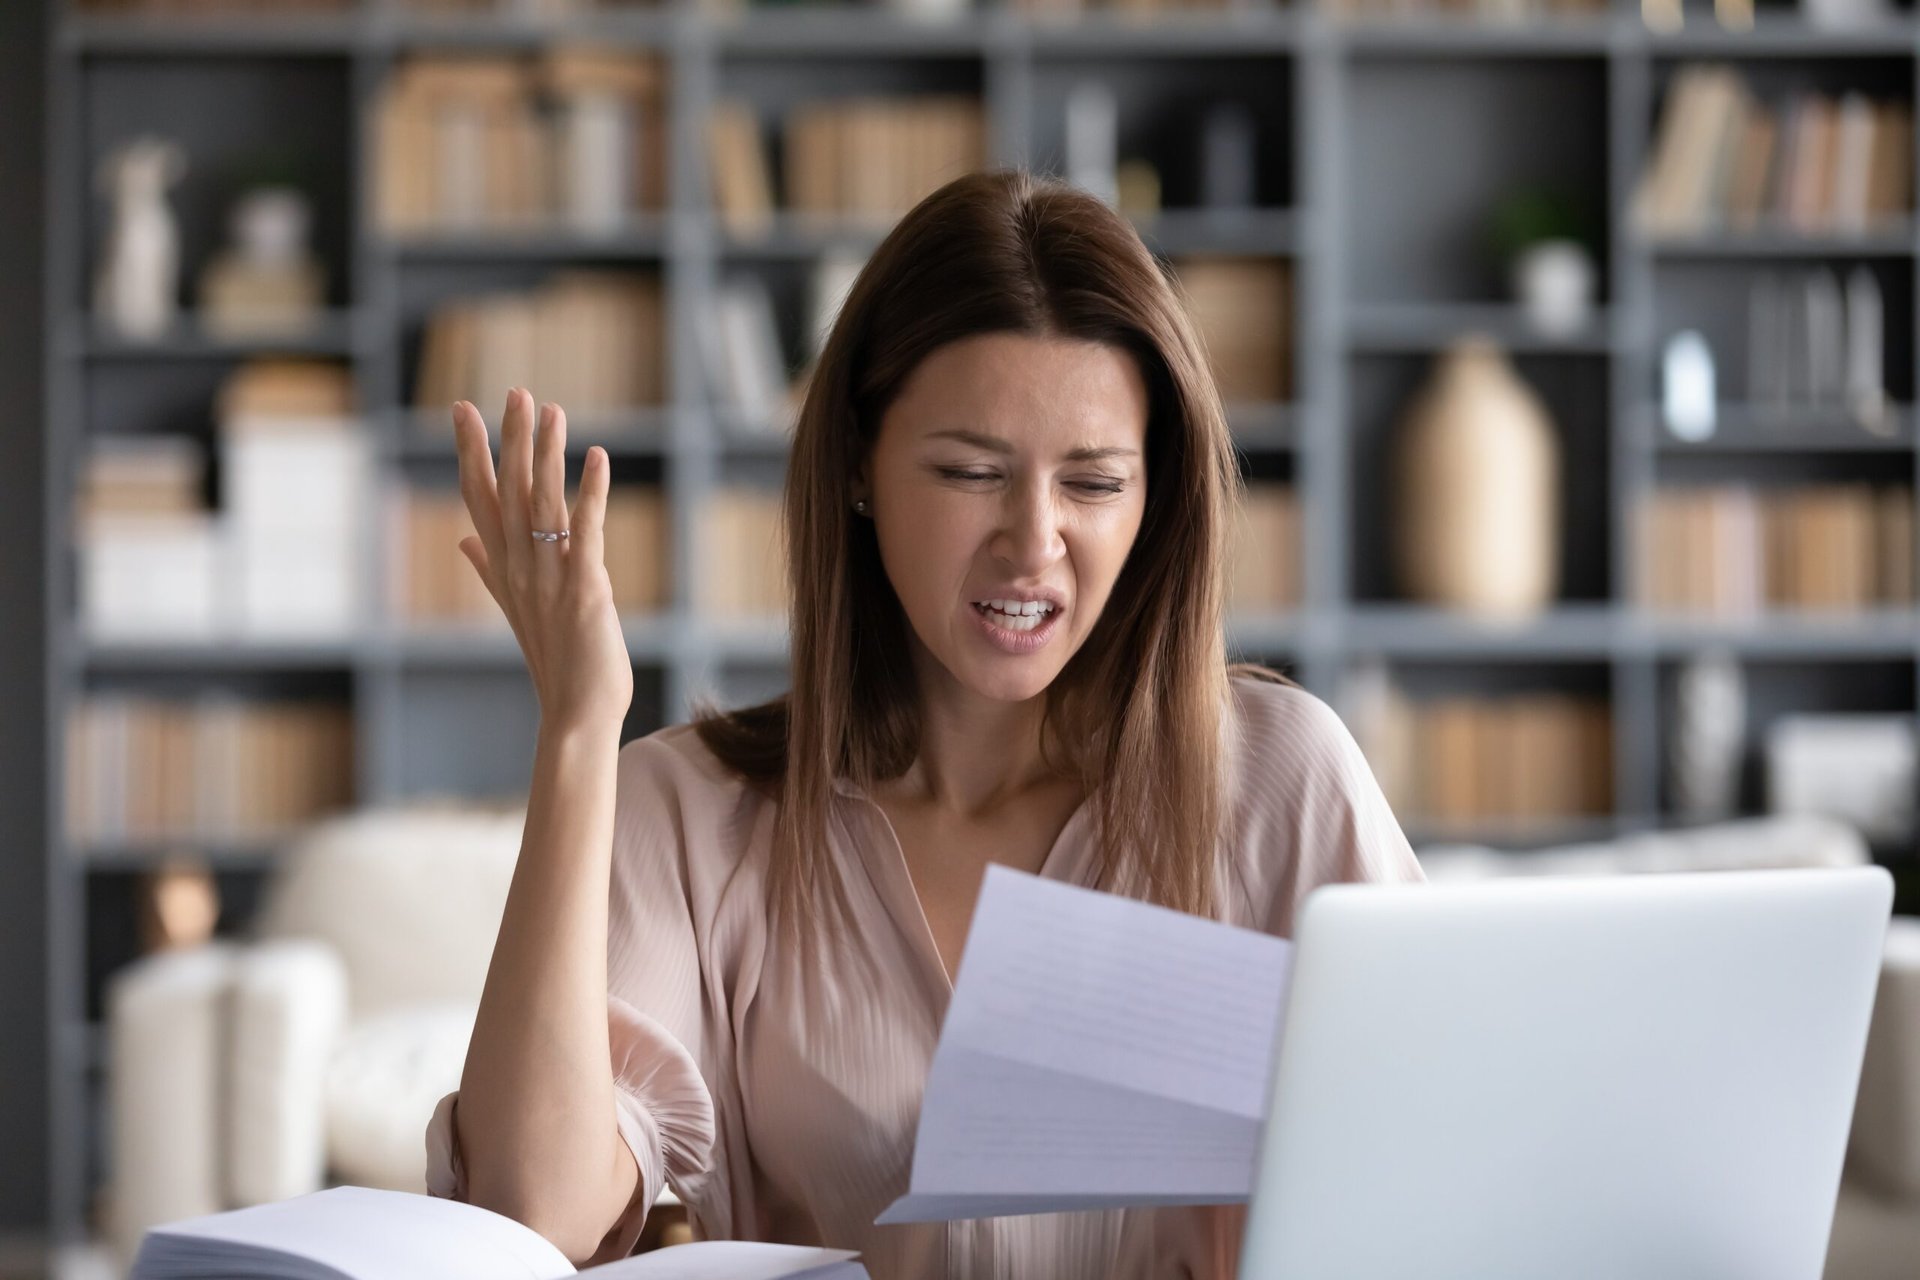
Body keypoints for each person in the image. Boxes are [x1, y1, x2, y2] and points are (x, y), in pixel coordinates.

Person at [423, 168, 1424, 1280]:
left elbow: (1445, 1169)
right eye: (970, 471)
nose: (1032, 541)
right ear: (859, 465)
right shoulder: (694, 815)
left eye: (1093, 484)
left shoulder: (1279, 779)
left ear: (1158, 498)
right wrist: (576, 725)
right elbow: (534, 1212)